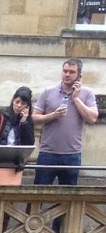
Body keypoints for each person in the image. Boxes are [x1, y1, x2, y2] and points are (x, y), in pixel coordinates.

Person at [32, 58, 99, 187]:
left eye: (72, 72)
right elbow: (34, 118)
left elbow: (92, 118)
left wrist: (76, 98)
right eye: (65, 71)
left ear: (79, 75)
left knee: (68, 196)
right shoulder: (48, 91)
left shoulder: (87, 93)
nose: (67, 74)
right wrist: (53, 115)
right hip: (48, 153)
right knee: (39, 193)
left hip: (72, 154)